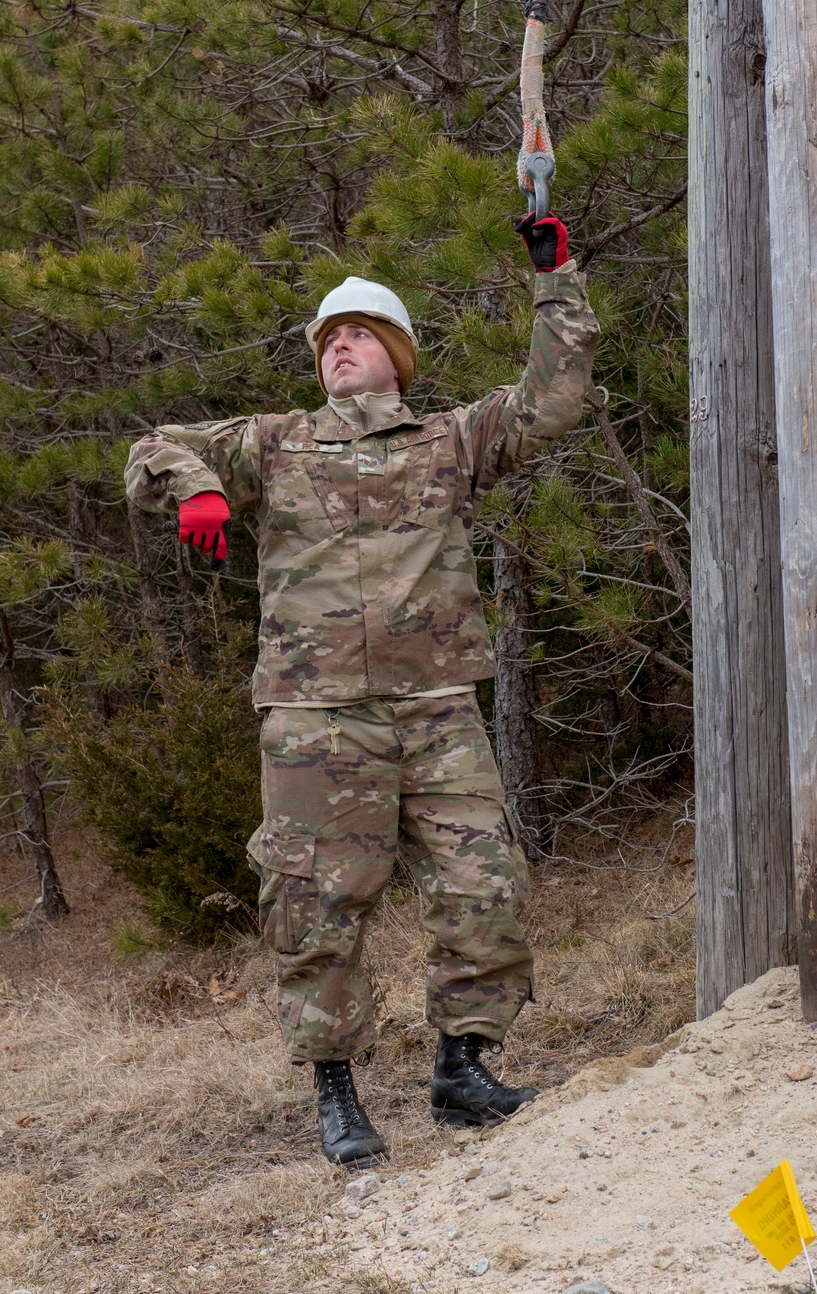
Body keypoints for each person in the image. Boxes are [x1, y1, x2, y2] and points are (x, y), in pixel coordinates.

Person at [125, 214, 600, 1169]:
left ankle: (464, 1070)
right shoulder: (275, 444)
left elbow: (554, 400)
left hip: (437, 710)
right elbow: (148, 447)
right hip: (317, 716)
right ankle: (337, 1094)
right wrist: (195, 484)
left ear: (396, 357)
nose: (336, 344)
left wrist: (555, 280)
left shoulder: (454, 439)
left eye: (357, 333)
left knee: (485, 885)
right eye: (326, 337)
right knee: (313, 907)